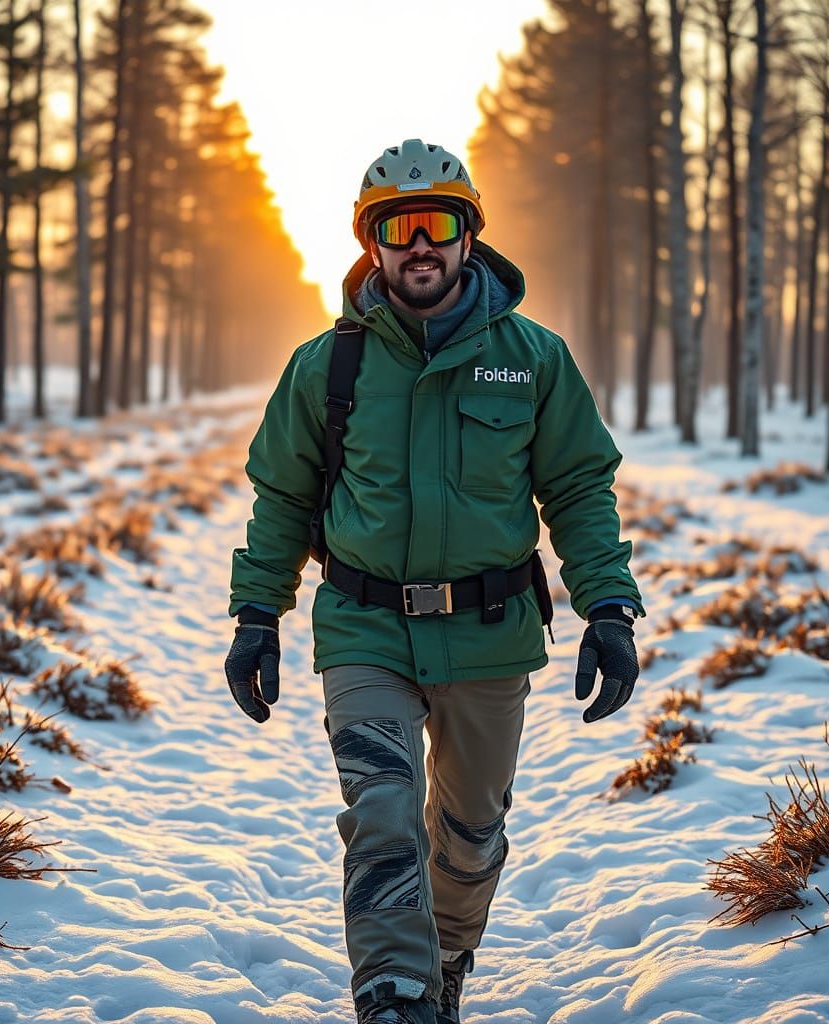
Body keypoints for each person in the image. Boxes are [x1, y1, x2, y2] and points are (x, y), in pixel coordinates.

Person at [224, 139, 644, 1024]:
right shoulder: (326, 365)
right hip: (364, 627)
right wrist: (257, 615)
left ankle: (446, 961)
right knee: (383, 814)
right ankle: (395, 995)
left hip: (489, 632)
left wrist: (608, 607)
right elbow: (283, 497)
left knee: (468, 835)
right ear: (371, 243)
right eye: (398, 228)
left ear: (469, 235)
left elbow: (577, 488)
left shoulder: (533, 359)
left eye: (438, 224)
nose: (421, 245)